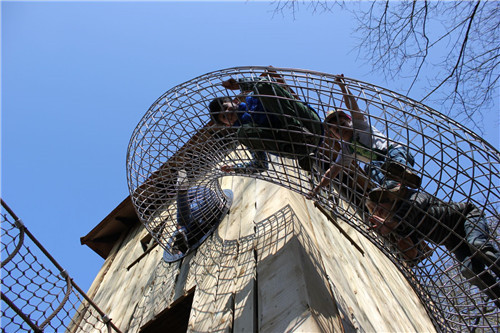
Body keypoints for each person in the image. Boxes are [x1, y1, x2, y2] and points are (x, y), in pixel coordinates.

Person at [367, 187, 500, 308]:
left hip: (467, 217)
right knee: (469, 270)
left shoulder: (412, 197)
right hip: (453, 241)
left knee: (479, 247)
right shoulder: (402, 228)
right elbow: (413, 254)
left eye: (378, 205)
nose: (378, 211)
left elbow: (412, 208)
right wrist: (403, 246)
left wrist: (392, 225)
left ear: (390, 198)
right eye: (374, 211)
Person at [308, 74, 421, 203]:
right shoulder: (346, 150)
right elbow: (332, 171)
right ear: (335, 136)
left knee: (393, 159)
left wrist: (343, 87)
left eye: (343, 124)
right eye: (336, 130)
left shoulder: (359, 125)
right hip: (382, 165)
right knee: (370, 167)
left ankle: (404, 171)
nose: (341, 128)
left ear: (350, 121)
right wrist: (317, 188)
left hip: (393, 151)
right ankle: (392, 187)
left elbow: (352, 106)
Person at [208, 68, 323, 175]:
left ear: (235, 102)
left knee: (262, 86)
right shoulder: (248, 134)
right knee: (243, 134)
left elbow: (269, 82)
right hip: (297, 148)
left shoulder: (254, 97)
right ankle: (299, 147)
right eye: (223, 117)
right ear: (228, 124)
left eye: (225, 107)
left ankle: (298, 132)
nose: (227, 113)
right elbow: (260, 165)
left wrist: (240, 84)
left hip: (308, 123)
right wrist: (235, 168)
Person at [170, 171, 227, 253]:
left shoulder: (186, 217)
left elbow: (185, 214)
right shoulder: (190, 224)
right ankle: (181, 191)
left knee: (183, 220)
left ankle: (181, 191)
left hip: (206, 199)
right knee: (186, 221)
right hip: (211, 206)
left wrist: (181, 227)